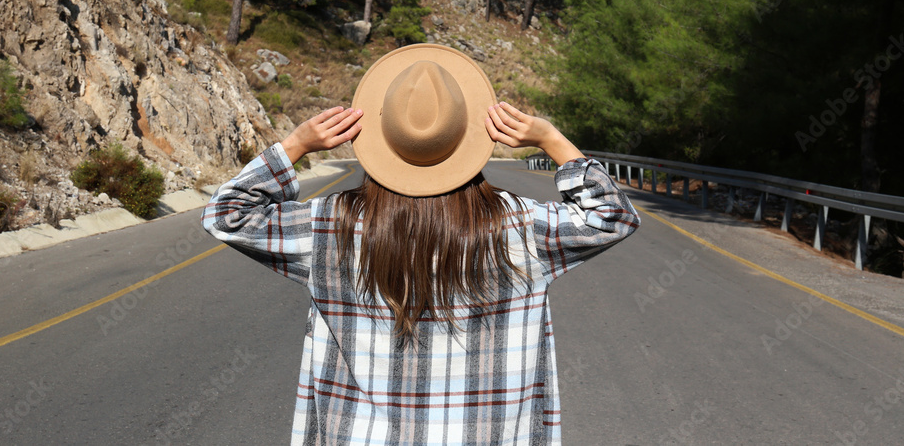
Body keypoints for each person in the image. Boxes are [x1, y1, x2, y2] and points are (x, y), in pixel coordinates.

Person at [202, 44, 640, 445]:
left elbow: (227, 214)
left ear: (379, 137)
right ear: (467, 135)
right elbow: (612, 217)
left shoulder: (329, 226)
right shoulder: (521, 227)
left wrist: (296, 145)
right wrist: (551, 139)